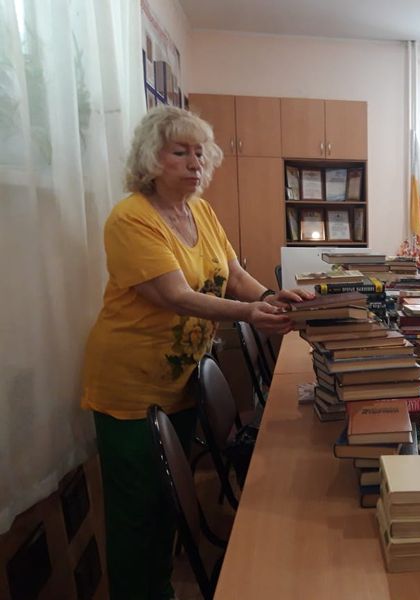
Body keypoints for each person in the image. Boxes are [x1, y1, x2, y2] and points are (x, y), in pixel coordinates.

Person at [81, 105, 313, 600]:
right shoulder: (131, 218)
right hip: (130, 383)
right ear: (151, 158)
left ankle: (159, 588)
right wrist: (250, 314)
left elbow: (234, 274)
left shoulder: (200, 211)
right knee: (136, 510)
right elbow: (175, 296)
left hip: (178, 380)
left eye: (200, 153)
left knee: (166, 501)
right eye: (179, 152)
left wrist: (269, 298)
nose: (195, 162)